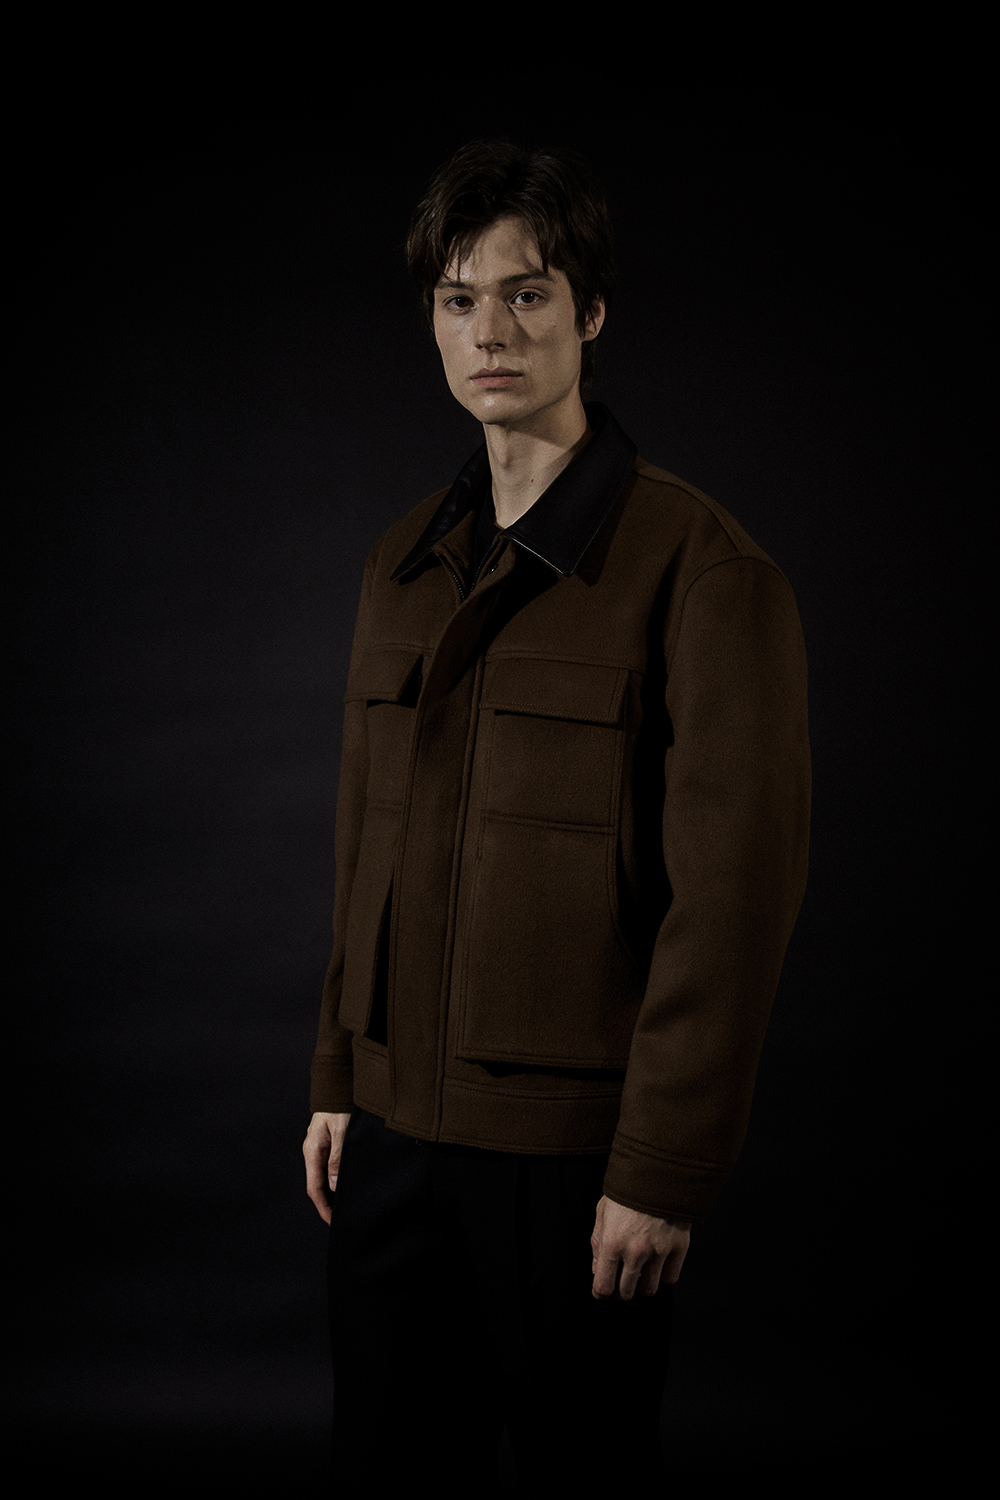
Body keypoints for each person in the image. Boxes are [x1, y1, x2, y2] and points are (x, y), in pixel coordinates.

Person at [303, 138, 810, 1492]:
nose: (491, 331)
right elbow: (365, 845)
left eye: (526, 294)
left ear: (589, 314)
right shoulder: (401, 564)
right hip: (391, 1148)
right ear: (432, 323)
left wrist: (661, 1169)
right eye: (459, 298)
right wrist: (341, 1078)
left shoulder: (703, 571)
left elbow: (733, 903)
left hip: (574, 1167)